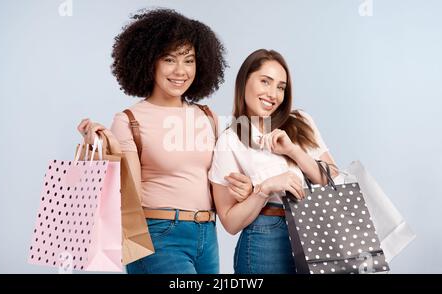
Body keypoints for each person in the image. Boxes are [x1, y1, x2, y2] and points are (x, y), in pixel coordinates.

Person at [77, 8, 253, 274]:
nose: (180, 71)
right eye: (169, 59)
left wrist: (247, 187)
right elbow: (127, 193)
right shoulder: (129, 120)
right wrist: (102, 145)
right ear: (150, 62)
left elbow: (221, 182)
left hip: (207, 236)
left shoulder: (208, 117)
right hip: (157, 235)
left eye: (189, 60)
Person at [208, 49, 339, 274]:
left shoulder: (301, 121)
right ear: (244, 82)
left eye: (280, 87)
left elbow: (333, 177)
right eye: (265, 82)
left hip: (316, 230)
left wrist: (293, 151)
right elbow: (230, 222)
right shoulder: (230, 141)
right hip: (265, 239)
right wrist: (266, 188)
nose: (273, 94)